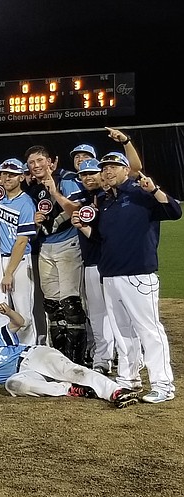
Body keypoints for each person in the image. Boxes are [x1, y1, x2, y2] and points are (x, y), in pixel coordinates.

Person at [94, 152, 181, 403]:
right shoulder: (104, 200)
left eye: (113, 166)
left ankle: (163, 384)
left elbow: (174, 211)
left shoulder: (142, 194)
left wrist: (154, 190)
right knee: (122, 332)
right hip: (110, 276)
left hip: (138, 276)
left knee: (149, 331)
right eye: (104, 168)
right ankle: (128, 379)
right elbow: (103, 239)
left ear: (126, 171)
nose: (107, 171)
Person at [0, 302, 140, 409]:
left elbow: (19, 323)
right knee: (13, 386)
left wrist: (8, 312)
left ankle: (115, 392)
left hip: (33, 355)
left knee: (72, 370)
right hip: (22, 374)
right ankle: (68, 389)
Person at [24, 144, 87, 365]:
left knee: (70, 302)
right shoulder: (32, 188)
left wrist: (55, 193)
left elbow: (78, 212)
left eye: (40, 160)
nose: (36, 165)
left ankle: (78, 358)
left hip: (68, 244)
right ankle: (60, 358)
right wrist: (36, 220)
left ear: (50, 162)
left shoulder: (66, 180)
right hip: (45, 247)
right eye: (32, 163)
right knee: (51, 305)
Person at [70, 159, 115, 375]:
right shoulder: (85, 200)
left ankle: (132, 357)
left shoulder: (111, 199)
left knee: (121, 315)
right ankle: (103, 358)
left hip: (113, 264)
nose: (88, 178)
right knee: (97, 315)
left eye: (93, 173)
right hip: (91, 264)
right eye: (83, 174)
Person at [0, 158, 37, 344]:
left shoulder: (26, 203)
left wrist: (9, 273)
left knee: (23, 312)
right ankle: (2, 351)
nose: (7, 177)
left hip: (18, 261)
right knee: (0, 311)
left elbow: (21, 241)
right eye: (4, 174)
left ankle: (27, 353)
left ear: (21, 177)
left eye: (12, 174)